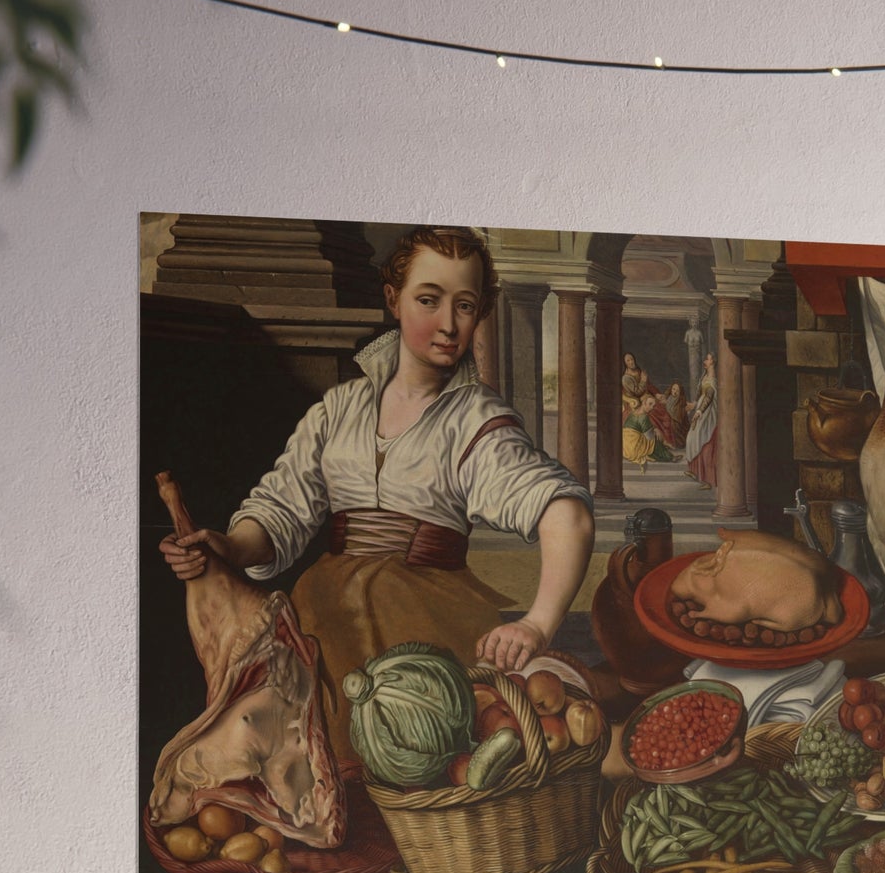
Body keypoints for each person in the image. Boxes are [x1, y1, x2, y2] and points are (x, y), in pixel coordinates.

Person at [160, 225, 595, 766]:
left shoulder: (477, 418)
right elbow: (280, 509)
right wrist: (229, 546)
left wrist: (537, 621)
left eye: (465, 305)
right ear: (393, 299)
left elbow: (567, 515)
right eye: (428, 300)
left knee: (423, 753)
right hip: (322, 616)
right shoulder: (340, 408)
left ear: (482, 310)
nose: (448, 324)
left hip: (428, 620)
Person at [682, 352, 718, 488]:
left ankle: (708, 480)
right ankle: (694, 470)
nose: (704, 361)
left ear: (712, 362)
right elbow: (701, 394)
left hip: (709, 416)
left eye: (707, 359)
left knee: (705, 444)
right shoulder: (706, 376)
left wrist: (699, 411)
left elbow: (708, 397)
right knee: (692, 439)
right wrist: (694, 404)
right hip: (702, 412)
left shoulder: (713, 379)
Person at [622, 393, 676, 466]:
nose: (651, 408)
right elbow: (649, 437)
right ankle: (670, 457)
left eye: (653, 406)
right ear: (644, 403)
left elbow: (642, 428)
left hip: (626, 447)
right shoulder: (643, 417)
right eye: (650, 404)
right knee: (654, 441)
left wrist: (655, 429)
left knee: (652, 439)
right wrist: (660, 437)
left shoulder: (633, 412)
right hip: (633, 448)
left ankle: (665, 451)